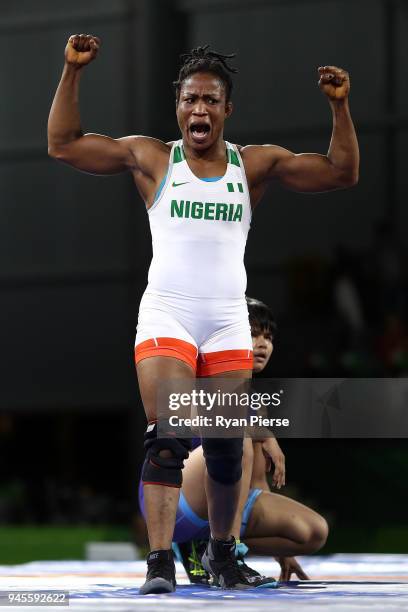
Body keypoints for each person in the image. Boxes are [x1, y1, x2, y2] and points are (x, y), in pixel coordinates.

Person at [48, 36, 359, 594]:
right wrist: (72, 72)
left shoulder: (252, 164)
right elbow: (64, 144)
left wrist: (339, 107)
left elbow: (340, 172)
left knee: (223, 445)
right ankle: (160, 562)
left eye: (211, 100)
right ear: (178, 106)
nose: (200, 109)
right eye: (191, 99)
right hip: (168, 312)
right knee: (169, 438)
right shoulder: (152, 157)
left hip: (225, 320)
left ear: (226, 109)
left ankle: (221, 554)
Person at [139, 297, 328, 585]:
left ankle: (206, 548)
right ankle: (226, 556)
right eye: (253, 335)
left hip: (222, 498)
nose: (263, 344)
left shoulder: (255, 400)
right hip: (179, 498)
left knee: (313, 532)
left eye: (268, 337)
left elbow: (255, 483)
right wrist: (261, 431)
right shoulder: (201, 377)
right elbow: (203, 436)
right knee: (232, 440)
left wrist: (281, 551)